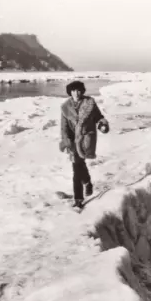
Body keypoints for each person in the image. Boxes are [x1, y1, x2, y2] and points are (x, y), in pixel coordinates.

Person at [59, 80, 110, 209]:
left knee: (79, 165)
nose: (77, 93)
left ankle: (83, 189)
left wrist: (102, 125)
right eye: (74, 90)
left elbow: (98, 117)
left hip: (86, 139)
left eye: (79, 90)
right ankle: (81, 193)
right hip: (72, 141)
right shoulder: (65, 107)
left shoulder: (90, 103)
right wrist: (66, 141)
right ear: (70, 92)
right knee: (77, 167)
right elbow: (64, 128)